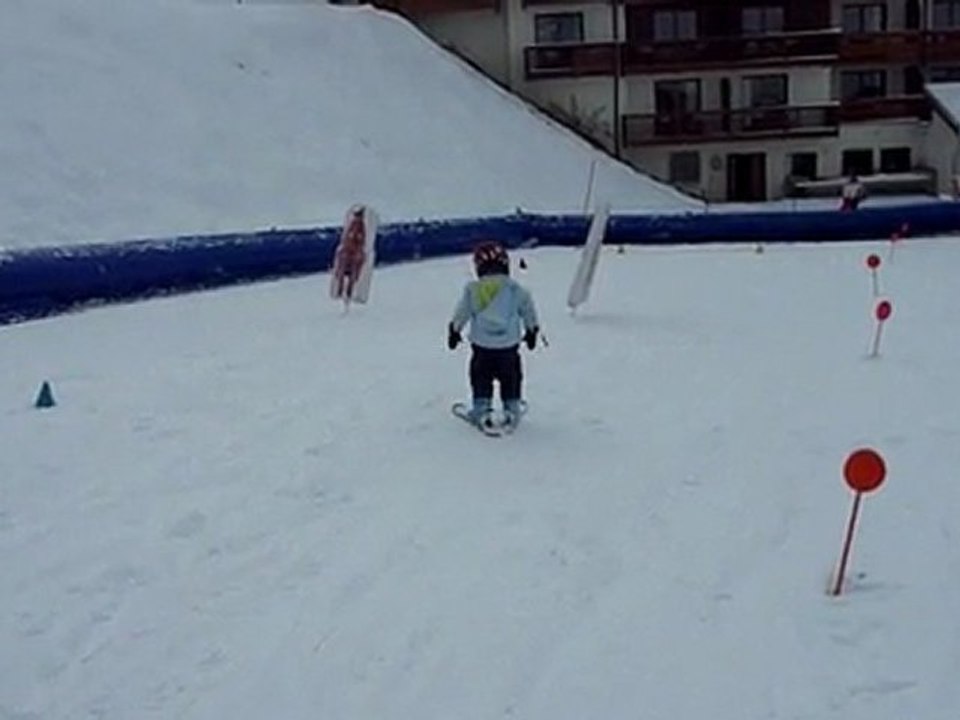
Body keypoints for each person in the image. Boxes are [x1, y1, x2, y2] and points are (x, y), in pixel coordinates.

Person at [447, 241, 539, 430]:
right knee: (511, 376)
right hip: (508, 347)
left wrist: (454, 331)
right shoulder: (516, 290)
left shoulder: (473, 290)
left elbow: (462, 313)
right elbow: (528, 311)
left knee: (480, 376)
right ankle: (511, 407)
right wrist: (532, 331)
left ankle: (482, 408)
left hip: (482, 347)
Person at [332, 205, 367, 301]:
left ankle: (348, 292)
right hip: (348, 251)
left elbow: (361, 240)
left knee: (352, 273)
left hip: (354, 252)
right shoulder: (352, 225)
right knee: (342, 271)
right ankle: (340, 291)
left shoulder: (361, 227)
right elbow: (347, 238)